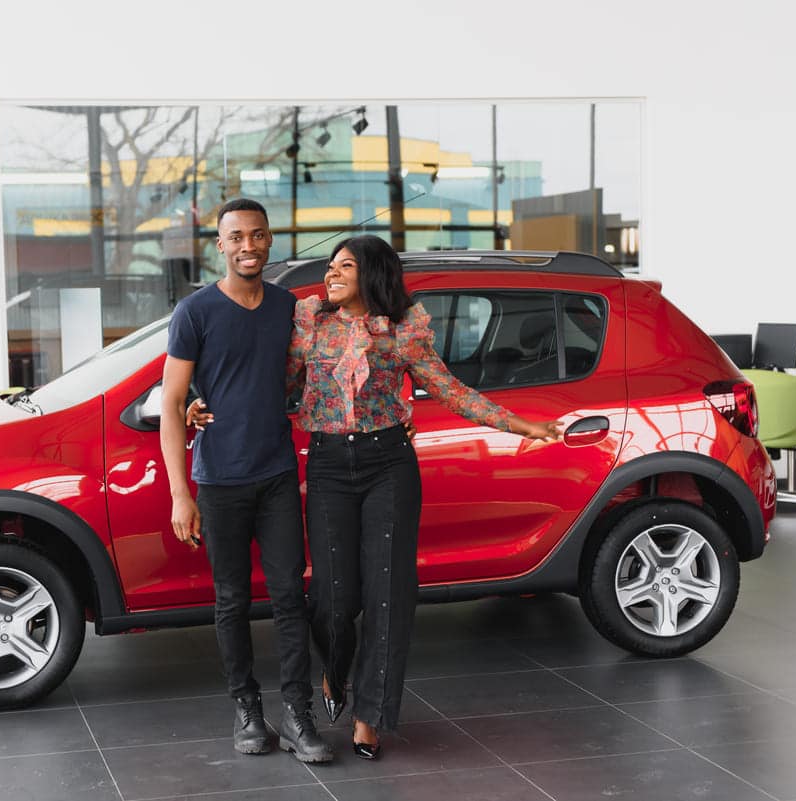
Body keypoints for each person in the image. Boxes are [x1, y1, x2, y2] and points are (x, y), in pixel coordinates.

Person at [191, 235, 559, 760]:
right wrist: (198, 404)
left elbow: (452, 390)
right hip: (327, 466)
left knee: (389, 595)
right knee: (333, 599)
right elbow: (272, 385)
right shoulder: (310, 320)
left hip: (389, 464)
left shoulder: (405, 329)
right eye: (332, 266)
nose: (333, 275)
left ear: (373, 274)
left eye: (345, 267)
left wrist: (521, 424)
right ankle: (335, 674)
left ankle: (370, 716)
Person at [159, 198, 333, 764]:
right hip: (220, 481)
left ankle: (298, 712)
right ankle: (247, 707)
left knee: (289, 597)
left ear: (270, 240)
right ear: (220, 244)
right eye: (236, 237)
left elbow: (316, 366)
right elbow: (171, 404)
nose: (248, 247)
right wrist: (181, 494)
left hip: (278, 474)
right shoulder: (195, 312)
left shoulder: (288, 307)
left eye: (257, 236)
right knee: (231, 601)